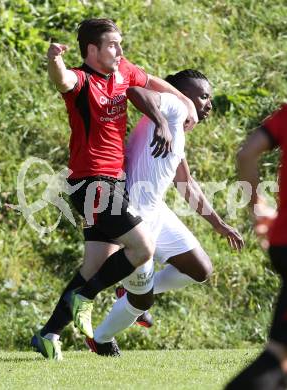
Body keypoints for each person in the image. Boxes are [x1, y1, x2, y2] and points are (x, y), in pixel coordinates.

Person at [31, 18, 199, 360]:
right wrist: (54, 61)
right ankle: (86, 298)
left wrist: (187, 102)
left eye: (119, 44)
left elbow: (155, 83)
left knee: (94, 265)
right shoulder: (81, 80)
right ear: (92, 50)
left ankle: (48, 334)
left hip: (113, 182)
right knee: (142, 247)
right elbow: (61, 79)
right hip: (92, 182)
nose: (119, 51)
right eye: (111, 45)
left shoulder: (123, 70)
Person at [85, 69, 244, 356]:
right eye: (204, 96)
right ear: (183, 93)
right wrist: (161, 121)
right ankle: (102, 338)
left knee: (200, 269)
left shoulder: (178, 126)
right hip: (133, 218)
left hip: (156, 210)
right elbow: (134, 90)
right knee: (141, 304)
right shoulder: (175, 105)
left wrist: (219, 225)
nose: (208, 103)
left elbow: (186, 184)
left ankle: (129, 292)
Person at [225, 104, 287, 390]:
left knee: (279, 355)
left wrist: (257, 208)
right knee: (276, 358)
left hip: (283, 242)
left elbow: (247, 153)